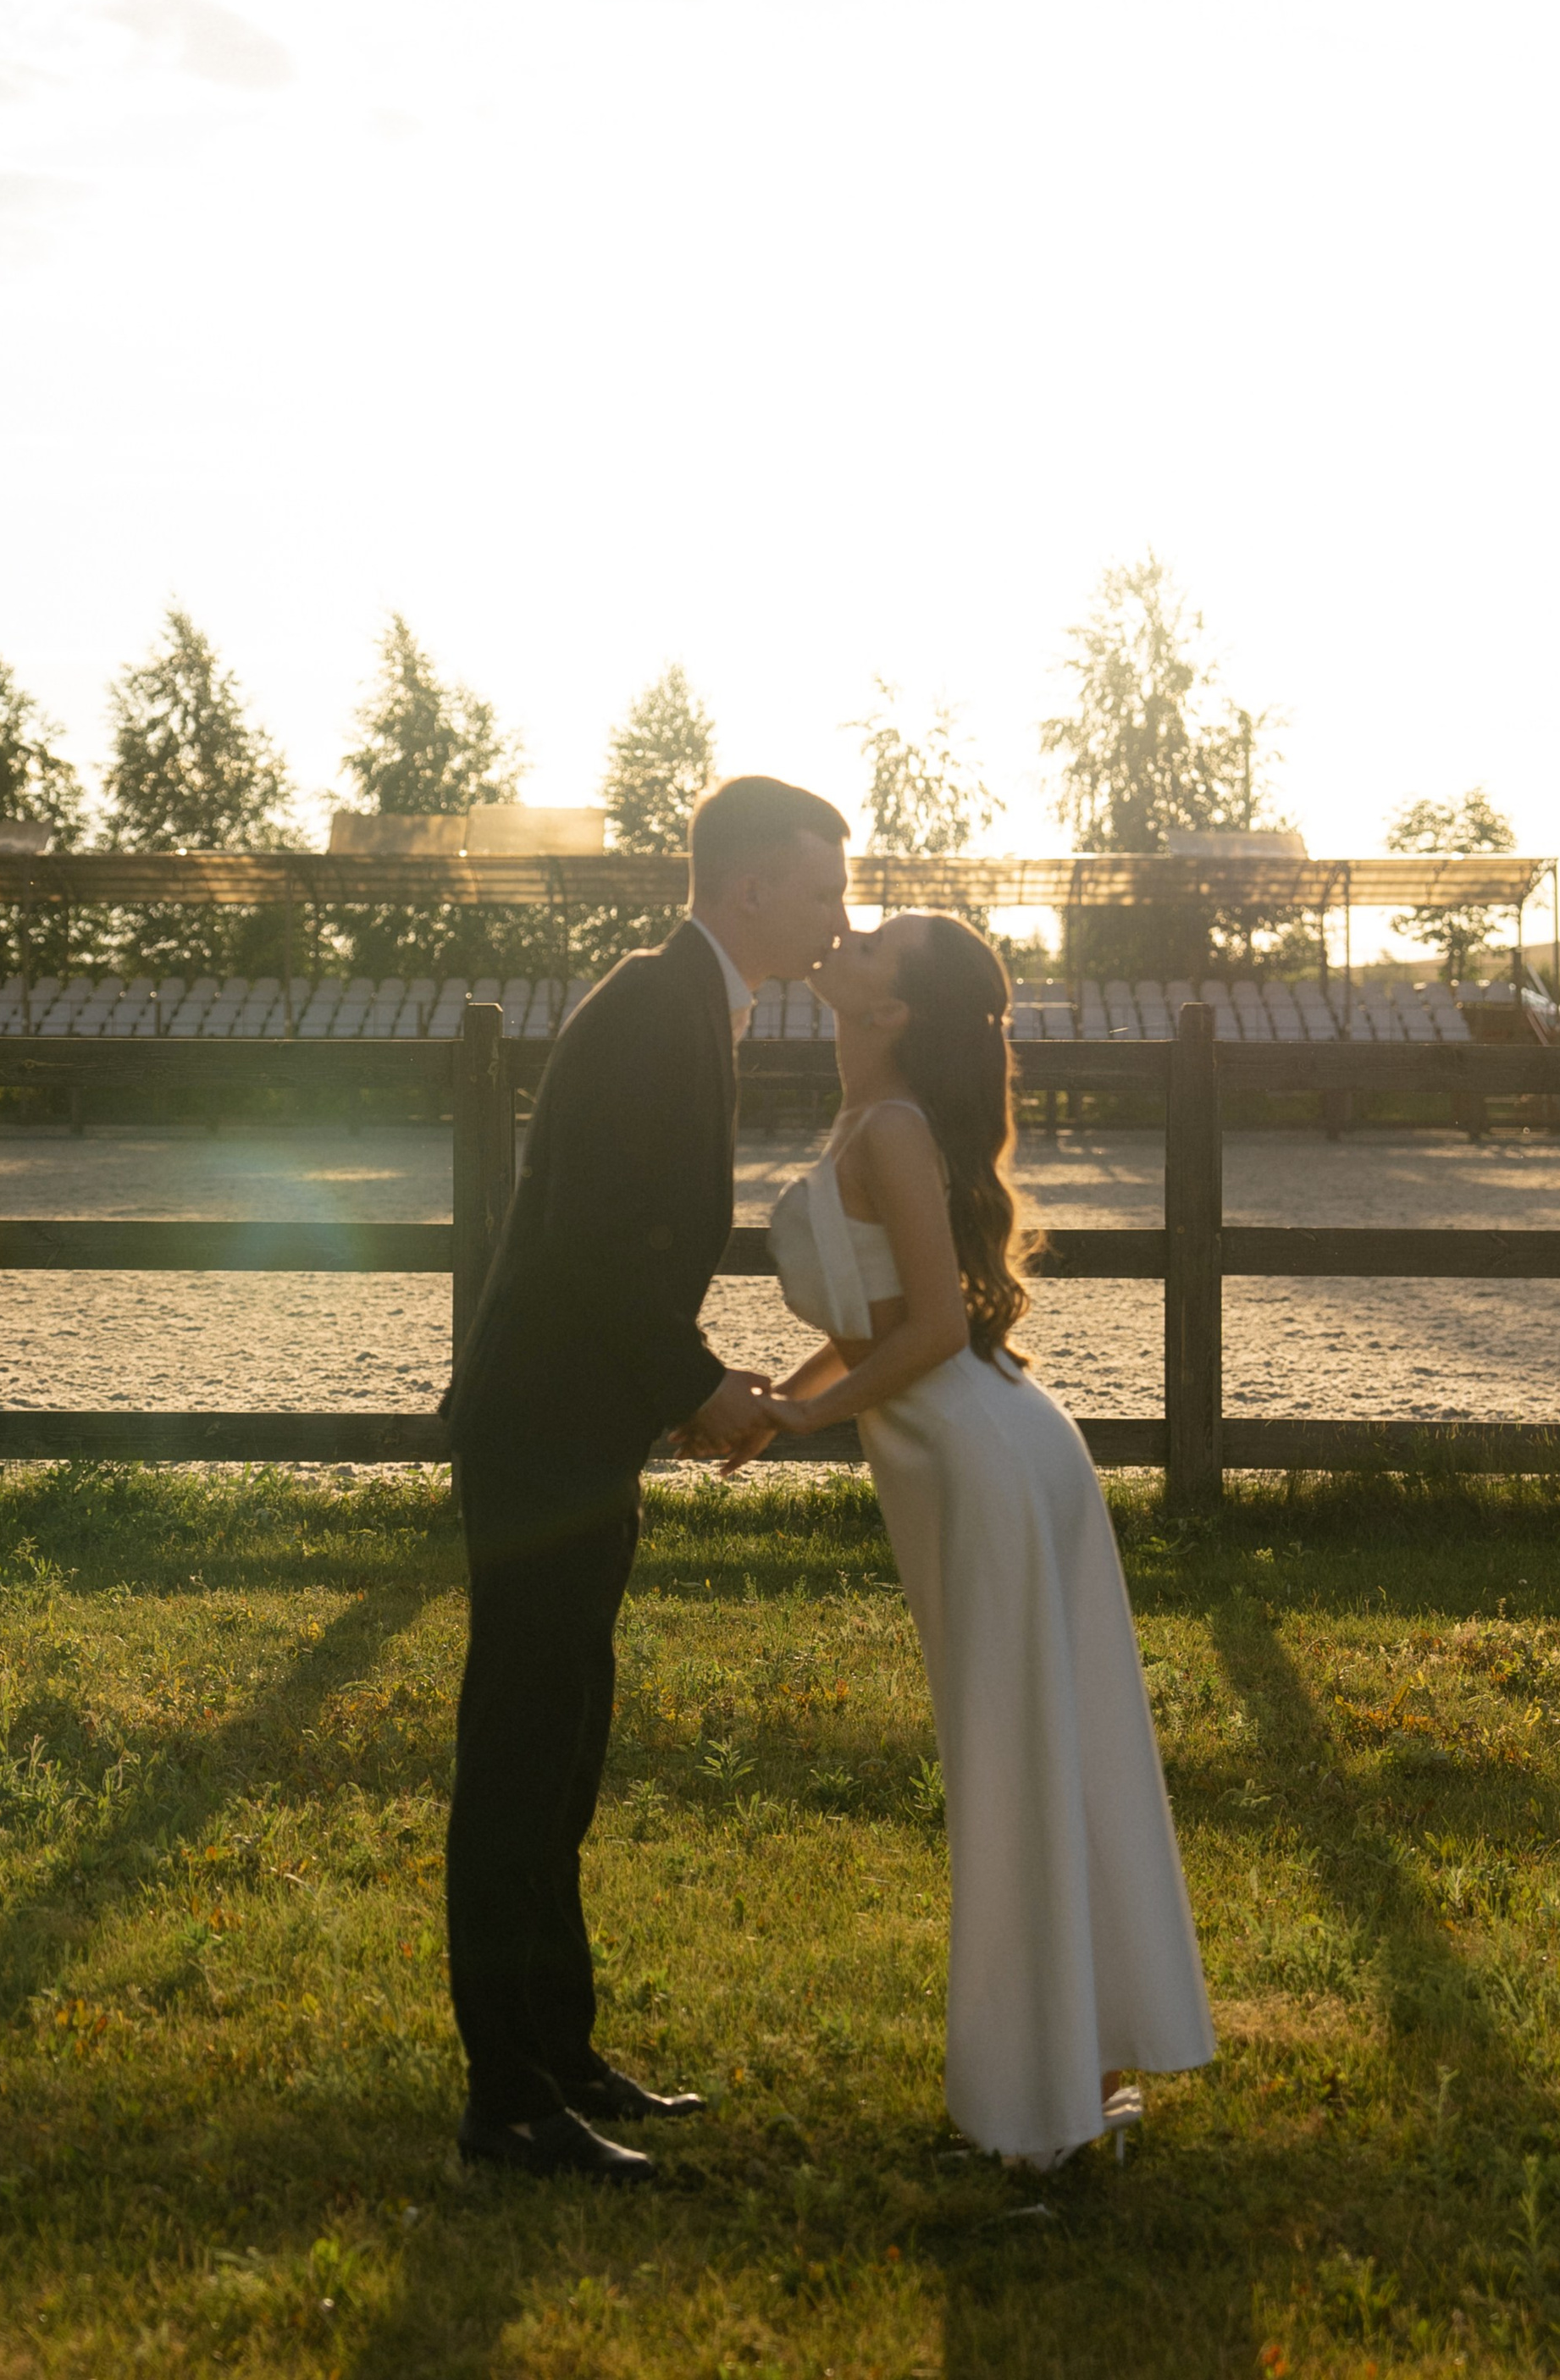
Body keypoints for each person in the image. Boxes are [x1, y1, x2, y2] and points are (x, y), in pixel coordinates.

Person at [750, 909, 1214, 2172]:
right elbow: (881, 1317)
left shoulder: (891, 1126)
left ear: (891, 1011)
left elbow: (933, 1336)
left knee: (1014, 1762)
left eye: (874, 939)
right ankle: (1080, 2078)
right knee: (1036, 1750)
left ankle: (1043, 2114)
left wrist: (797, 1413)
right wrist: (788, 1401)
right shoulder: (877, 1120)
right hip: (980, 1444)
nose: (836, 932)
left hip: (981, 1450)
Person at [441, 775, 852, 2181]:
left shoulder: (688, 1000)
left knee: (567, 1750)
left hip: (580, 1427)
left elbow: (616, 1249)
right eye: (820, 888)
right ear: (747, 889)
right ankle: (505, 2100)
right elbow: (598, 1248)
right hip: (542, 1430)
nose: (837, 916)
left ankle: (560, 2052)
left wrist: (675, 1392)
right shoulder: (650, 1008)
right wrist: (698, 1389)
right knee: (518, 1755)